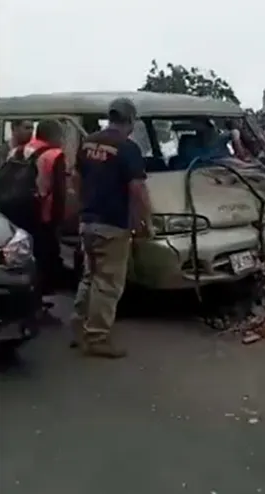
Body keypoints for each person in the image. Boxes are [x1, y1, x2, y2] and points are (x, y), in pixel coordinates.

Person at [71, 97, 151, 358]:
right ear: (130, 121)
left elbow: (76, 178)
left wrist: (85, 206)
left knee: (90, 276)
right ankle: (97, 337)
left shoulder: (89, 142)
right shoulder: (128, 148)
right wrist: (143, 222)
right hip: (113, 224)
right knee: (108, 283)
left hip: (88, 222)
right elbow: (137, 189)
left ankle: (79, 329)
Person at [20, 120, 68, 294]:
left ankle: (30, 287)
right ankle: (44, 289)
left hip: (23, 208)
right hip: (44, 210)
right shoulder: (55, 155)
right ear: (54, 135)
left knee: (31, 250)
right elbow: (59, 190)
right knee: (47, 250)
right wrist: (61, 218)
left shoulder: (22, 149)